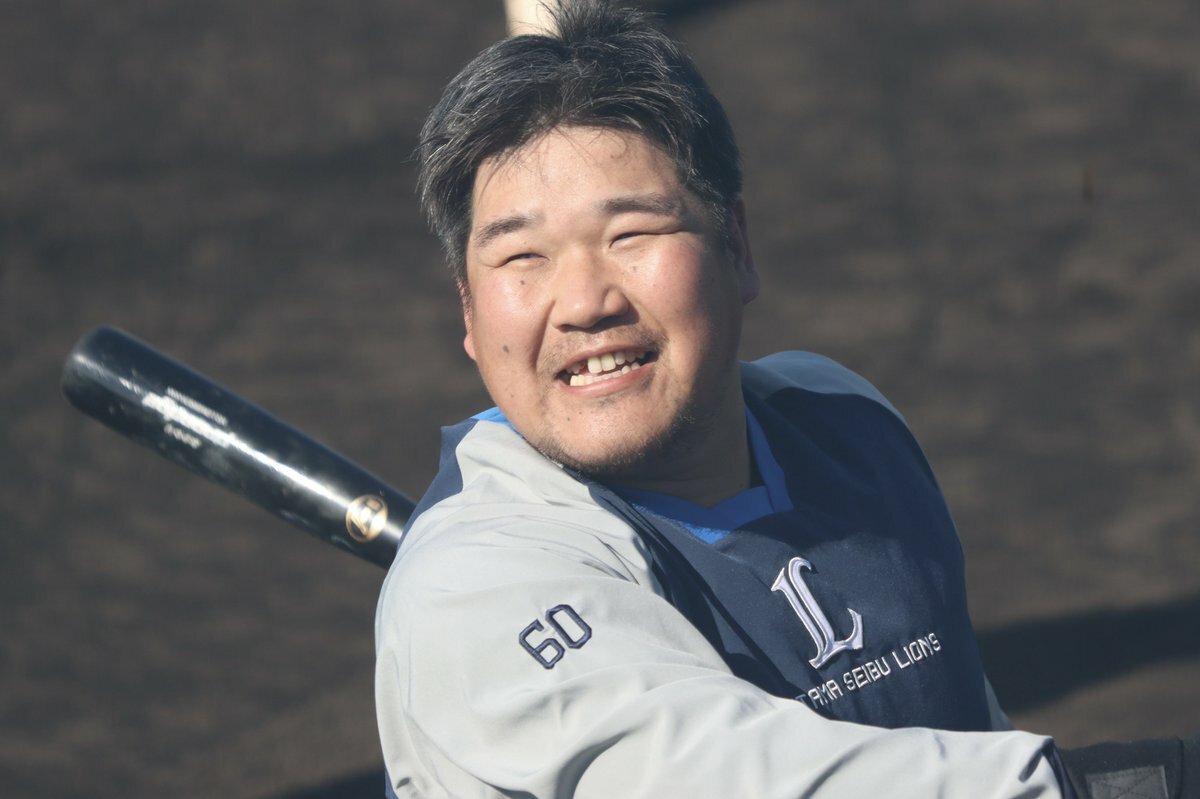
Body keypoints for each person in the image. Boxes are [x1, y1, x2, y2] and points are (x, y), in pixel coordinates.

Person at [374, 2, 1197, 796]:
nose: (585, 301)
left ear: (736, 246)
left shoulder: (844, 424)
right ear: (469, 312)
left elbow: (972, 734)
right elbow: (718, 778)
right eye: (522, 257)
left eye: (630, 234)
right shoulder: (470, 584)